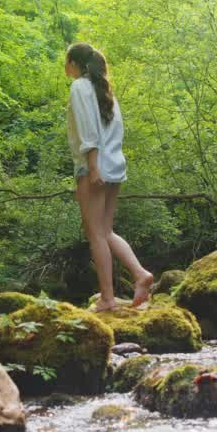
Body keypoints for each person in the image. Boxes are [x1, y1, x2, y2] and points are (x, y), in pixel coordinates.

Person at [64, 42, 153, 311]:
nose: (64, 66)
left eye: (66, 61)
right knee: (106, 231)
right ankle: (140, 275)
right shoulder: (106, 91)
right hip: (114, 165)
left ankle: (107, 298)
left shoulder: (80, 87)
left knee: (96, 234)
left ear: (75, 63)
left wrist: (92, 167)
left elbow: (88, 130)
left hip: (96, 166)